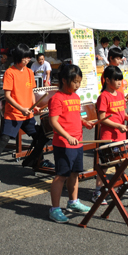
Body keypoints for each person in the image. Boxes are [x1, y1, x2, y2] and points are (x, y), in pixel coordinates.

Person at [0, 44, 42, 184]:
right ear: (18, 57)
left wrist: (34, 107)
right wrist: (22, 108)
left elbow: (32, 92)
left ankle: (38, 160)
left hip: (27, 114)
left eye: (29, 57)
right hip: (13, 114)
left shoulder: (29, 72)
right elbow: (8, 97)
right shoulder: (10, 72)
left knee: (40, 137)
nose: (28, 60)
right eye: (25, 57)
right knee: (4, 140)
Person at [48, 64, 94, 223]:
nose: (77, 85)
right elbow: (54, 122)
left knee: (75, 173)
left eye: (79, 82)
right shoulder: (57, 98)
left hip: (77, 141)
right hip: (63, 143)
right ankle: (54, 208)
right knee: (61, 176)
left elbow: (74, 115)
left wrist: (83, 122)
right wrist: (67, 136)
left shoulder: (75, 96)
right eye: (74, 82)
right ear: (63, 80)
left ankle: (73, 202)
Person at [91, 66, 128, 204]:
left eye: (120, 80)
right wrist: (118, 125)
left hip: (120, 135)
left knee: (121, 162)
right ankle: (97, 191)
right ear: (107, 80)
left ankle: (121, 184)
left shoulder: (121, 95)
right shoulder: (103, 96)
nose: (119, 83)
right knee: (105, 164)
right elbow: (103, 118)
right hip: (108, 136)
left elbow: (121, 113)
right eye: (116, 80)